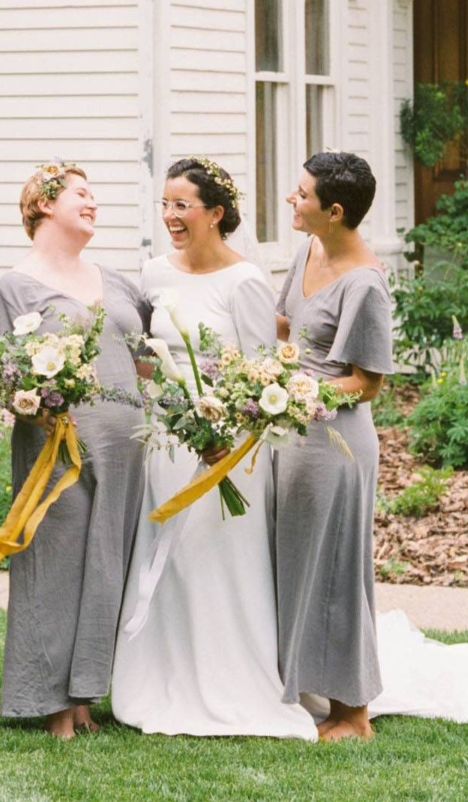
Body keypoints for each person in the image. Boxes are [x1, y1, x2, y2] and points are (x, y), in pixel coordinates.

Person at [274, 151, 468, 742]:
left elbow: (365, 383)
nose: (291, 200)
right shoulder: (307, 249)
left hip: (336, 445)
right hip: (290, 433)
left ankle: (352, 713)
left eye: (301, 195)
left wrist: (298, 392)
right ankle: (302, 684)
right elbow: (283, 327)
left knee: (336, 572)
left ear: (335, 211)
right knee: (296, 563)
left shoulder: (365, 284)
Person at [111, 158, 318, 740]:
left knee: (221, 556)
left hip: (230, 450)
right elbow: (149, 357)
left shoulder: (244, 280)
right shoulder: (153, 274)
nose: (172, 217)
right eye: (166, 205)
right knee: (172, 557)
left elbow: (260, 373)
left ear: (216, 214)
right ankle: (161, 674)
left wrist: (224, 432)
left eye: (183, 206)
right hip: (167, 437)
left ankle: (234, 678)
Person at [0, 163, 149, 739]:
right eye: (81, 193)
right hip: (58, 446)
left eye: (95, 194)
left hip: (125, 447)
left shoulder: (116, 280)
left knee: (106, 568)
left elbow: (144, 356)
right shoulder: (13, 288)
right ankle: (48, 703)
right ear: (44, 203)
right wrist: (35, 403)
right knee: (54, 566)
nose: (93, 202)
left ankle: (84, 698)